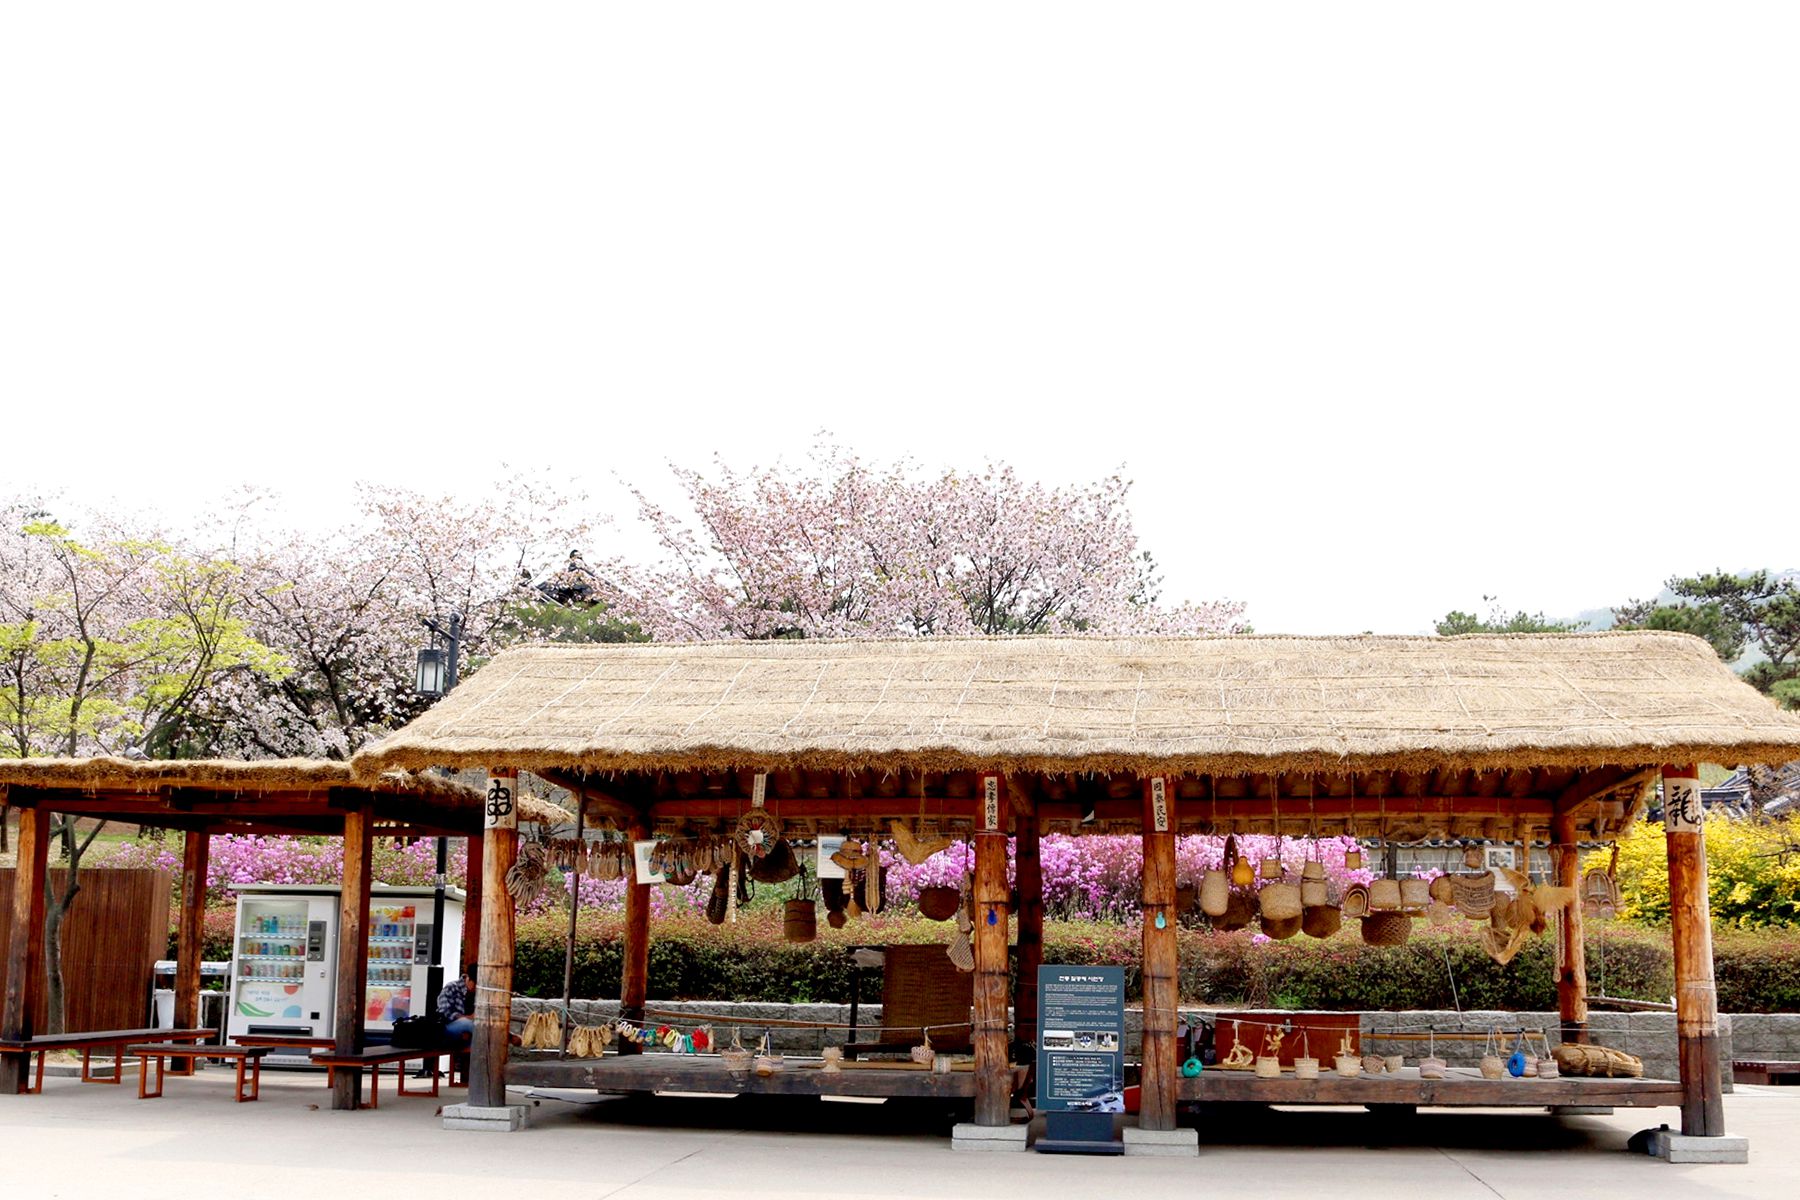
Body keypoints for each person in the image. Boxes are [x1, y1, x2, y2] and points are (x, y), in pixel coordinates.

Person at [438, 969, 476, 1045]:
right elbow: (444, 1011)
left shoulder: (476, 993)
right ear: (468, 978)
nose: (476, 987)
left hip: (469, 1028)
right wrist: (468, 1017)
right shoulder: (451, 987)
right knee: (468, 1023)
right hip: (449, 1026)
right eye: (475, 984)